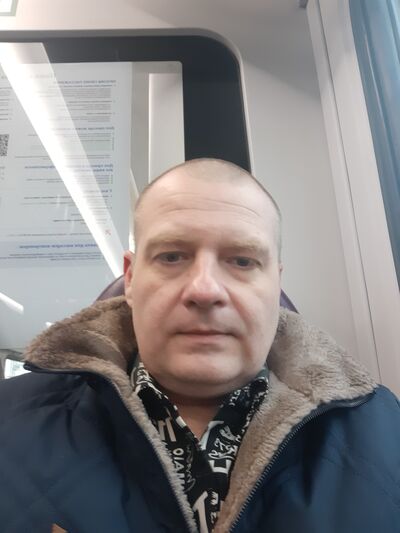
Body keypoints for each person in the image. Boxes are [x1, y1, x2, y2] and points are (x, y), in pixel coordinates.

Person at [0, 158, 399, 533]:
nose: (205, 290)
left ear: (275, 283)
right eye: (172, 256)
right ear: (131, 279)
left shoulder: (386, 432)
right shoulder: (8, 421)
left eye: (242, 261)